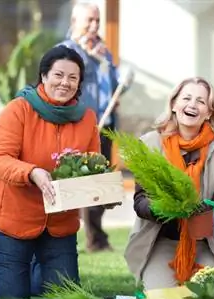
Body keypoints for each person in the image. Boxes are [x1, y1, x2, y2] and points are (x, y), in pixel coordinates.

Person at [0, 45, 110, 299]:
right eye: (58, 75)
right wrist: (32, 172)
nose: (64, 83)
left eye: (72, 77)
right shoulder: (18, 110)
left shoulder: (87, 118)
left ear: (79, 83)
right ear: (44, 76)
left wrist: (102, 192)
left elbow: (93, 165)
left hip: (59, 224)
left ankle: (32, 269)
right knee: (12, 295)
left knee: (61, 293)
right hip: (12, 221)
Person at [124, 77, 214, 290]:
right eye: (186, 98)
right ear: (174, 104)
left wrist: (201, 209)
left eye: (201, 101)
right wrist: (166, 208)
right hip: (161, 240)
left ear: (209, 112)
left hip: (206, 243)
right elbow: (140, 201)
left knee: (207, 296)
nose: (192, 105)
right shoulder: (149, 144)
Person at [59, 2, 130, 252]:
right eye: (89, 20)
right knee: (76, 183)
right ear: (74, 20)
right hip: (79, 125)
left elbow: (116, 83)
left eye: (97, 21)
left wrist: (120, 77)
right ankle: (70, 238)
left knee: (99, 184)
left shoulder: (103, 51)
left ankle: (96, 239)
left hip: (104, 126)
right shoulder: (66, 51)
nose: (94, 25)